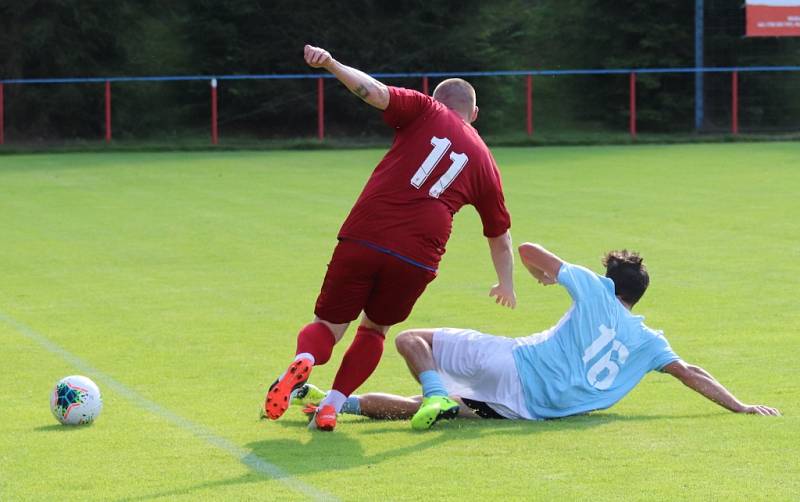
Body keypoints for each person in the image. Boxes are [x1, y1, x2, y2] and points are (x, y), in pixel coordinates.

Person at [264, 45, 516, 432]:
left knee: (329, 324)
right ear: (475, 114)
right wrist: (506, 283)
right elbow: (499, 235)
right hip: (419, 253)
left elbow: (373, 91)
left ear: (436, 100)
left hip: (368, 230)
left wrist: (331, 63)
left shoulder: (424, 109)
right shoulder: (485, 160)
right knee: (374, 329)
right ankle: (331, 405)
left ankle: (306, 359)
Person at [295, 243, 780, 429]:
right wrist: (740, 406)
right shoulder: (650, 342)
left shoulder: (595, 290)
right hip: (532, 408)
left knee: (409, 341)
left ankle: (435, 396)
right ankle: (334, 406)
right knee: (421, 405)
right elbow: (691, 373)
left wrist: (545, 276)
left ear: (611, 282)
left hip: (516, 365)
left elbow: (528, 249)